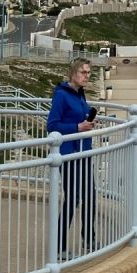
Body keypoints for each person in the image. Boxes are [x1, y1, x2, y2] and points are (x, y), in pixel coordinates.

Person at [47, 57, 96, 257]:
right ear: (73, 73)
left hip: (84, 152)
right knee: (73, 198)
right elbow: (52, 125)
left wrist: (88, 122)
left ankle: (89, 237)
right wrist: (77, 127)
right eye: (84, 72)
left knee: (90, 197)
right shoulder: (61, 95)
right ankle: (59, 246)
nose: (87, 76)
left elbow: (80, 117)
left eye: (89, 73)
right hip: (68, 154)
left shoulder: (80, 94)